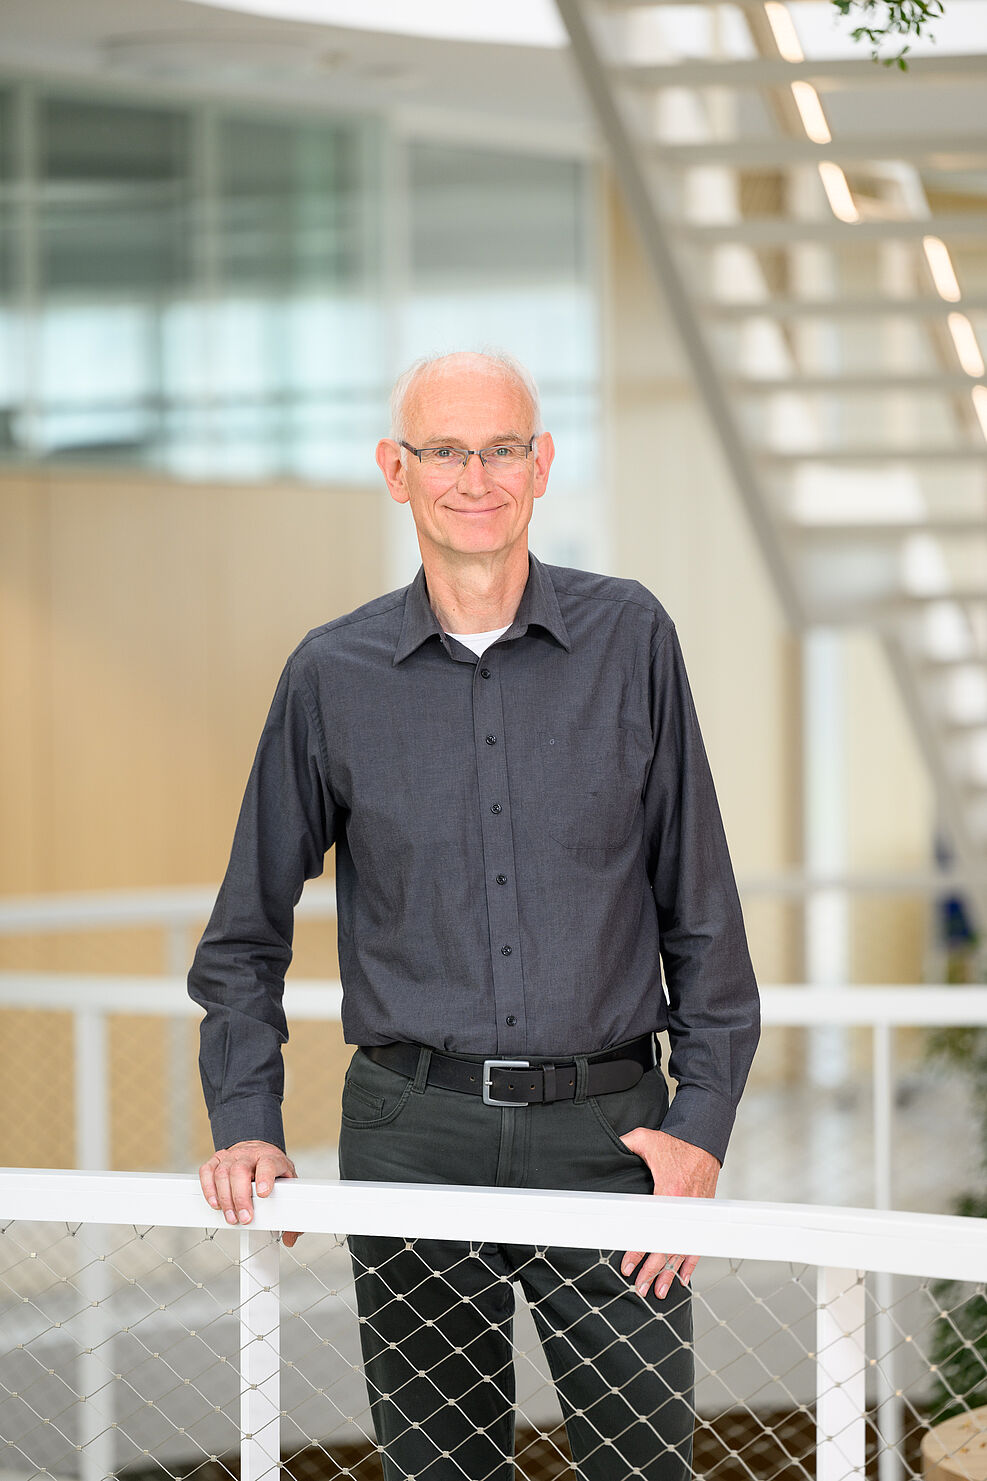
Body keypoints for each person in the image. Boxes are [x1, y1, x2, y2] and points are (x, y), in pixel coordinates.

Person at [188, 349, 760, 1481]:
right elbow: (244, 931)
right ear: (396, 470)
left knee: (644, 1466)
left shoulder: (630, 637)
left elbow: (702, 908)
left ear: (542, 463)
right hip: (413, 1138)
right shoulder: (331, 673)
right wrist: (246, 1113)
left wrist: (699, 1129)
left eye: (501, 447)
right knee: (440, 1470)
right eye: (445, 450)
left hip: (613, 1139)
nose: (475, 476)